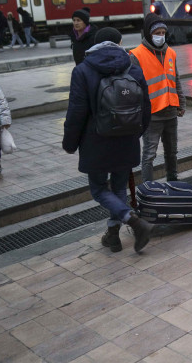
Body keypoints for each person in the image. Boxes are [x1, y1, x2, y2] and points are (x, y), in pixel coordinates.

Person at [62, 27, 153, 253]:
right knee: (119, 187)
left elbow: (76, 112)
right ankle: (113, 235)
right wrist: (135, 133)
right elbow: (146, 109)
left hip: (96, 141)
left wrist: (70, 142)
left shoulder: (83, 70)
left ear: (94, 44)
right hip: (127, 139)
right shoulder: (133, 67)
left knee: (99, 189)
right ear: (119, 42)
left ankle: (133, 221)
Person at [129, 13, 185, 183]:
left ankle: (173, 181)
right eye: (157, 33)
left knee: (172, 152)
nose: (161, 36)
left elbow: (175, 79)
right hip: (151, 115)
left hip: (170, 112)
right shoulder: (136, 55)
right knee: (149, 155)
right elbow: (133, 87)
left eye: (163, 33)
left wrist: (181, 103)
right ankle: (148, 188)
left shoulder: (171, 53)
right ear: (148, 33)